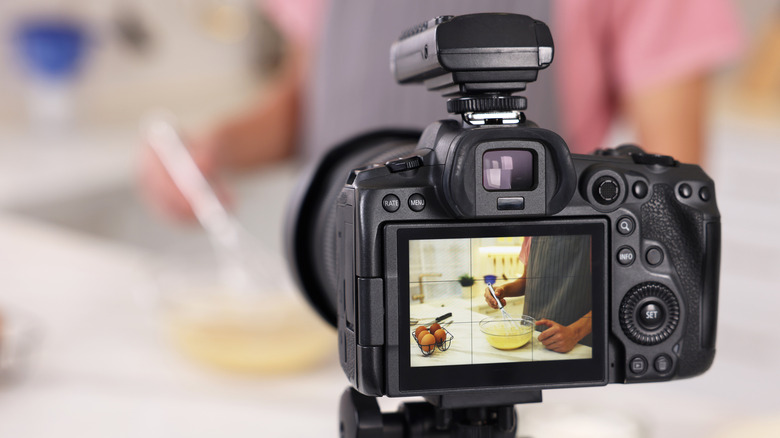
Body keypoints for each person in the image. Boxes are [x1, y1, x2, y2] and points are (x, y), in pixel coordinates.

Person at [140, 1, 742, 222]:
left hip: (523, 301)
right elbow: (301, 102)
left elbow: (669, 184)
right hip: (341, 279)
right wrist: (212, 150)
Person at [484, 236, 592, 354]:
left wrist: (575, 333)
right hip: (530, 337)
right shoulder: (530, 234)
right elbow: (527, 280)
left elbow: (611, 298)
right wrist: (502, 290)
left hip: (573, 344)